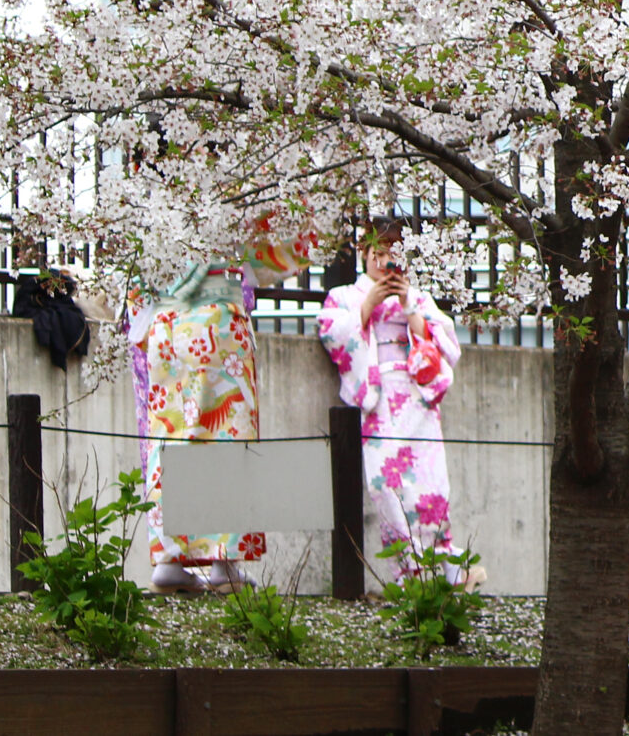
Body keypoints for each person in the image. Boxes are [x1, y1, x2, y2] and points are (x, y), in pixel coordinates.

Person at [130, 214, 318, 592]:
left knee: (172, 434)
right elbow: (278, 254)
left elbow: (136, 286)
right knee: (226, 432)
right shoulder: (227, 198)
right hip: (217, 324)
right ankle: (223, 564)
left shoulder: (149, 203)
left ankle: (169, 561)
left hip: (166, 328)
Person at [318, 217, 465, 573]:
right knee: (384, 483)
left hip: (417, 396)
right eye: (378, 253)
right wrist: (368, 304)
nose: (384, 262)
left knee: (430, 482)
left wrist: (408, 305)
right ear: (365, 254)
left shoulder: (417, 297)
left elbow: (442, 342)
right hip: (379, 397)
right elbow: (332, 331)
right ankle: (407, 569)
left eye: (393, 255)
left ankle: (442, 563)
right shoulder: (345, 296)